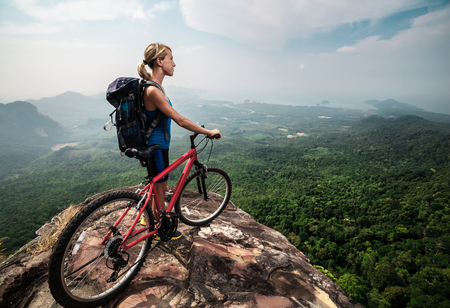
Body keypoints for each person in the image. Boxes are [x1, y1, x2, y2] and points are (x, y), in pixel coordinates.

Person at [137, 43, 221, 239]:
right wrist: (207, 131)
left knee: (157, 184)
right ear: (159, 61)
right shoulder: (153, 91)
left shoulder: (155, 86)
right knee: (160, 187)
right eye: (171, 59)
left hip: (157, 146)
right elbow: (180, 120)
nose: (174, 64)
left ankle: (148, 218)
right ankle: (158, 230)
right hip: (156, 147)